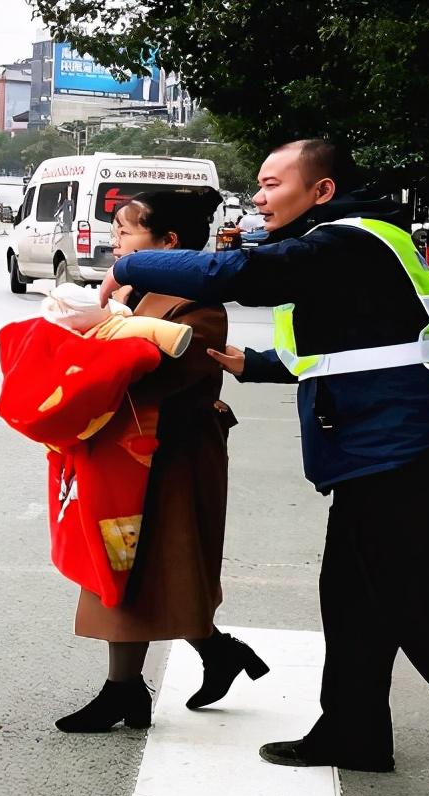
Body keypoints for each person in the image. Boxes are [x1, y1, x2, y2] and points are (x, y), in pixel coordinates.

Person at [98, 139, 429, 796]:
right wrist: (251, 362)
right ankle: (354, 729)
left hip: (410, 450)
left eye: (270, 182)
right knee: (348, 591)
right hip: (383, 447)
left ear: (320, 189)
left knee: (409, 600)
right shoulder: (342, 242)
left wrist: (134, 263)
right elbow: (358, 347)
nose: (258, 196)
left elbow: (244, 274)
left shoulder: (347, 239)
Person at [55, 187, 270, 733]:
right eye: (116, 233)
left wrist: (96, 337)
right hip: (125, 452)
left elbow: (158, 377)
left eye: (127, 232)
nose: (116, 243)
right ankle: (182, 667)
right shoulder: (135, 296)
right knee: (132, 568)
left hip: (171, 454)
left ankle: (128, 689)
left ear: (168, 243)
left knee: (150, 567)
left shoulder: (197, 307)